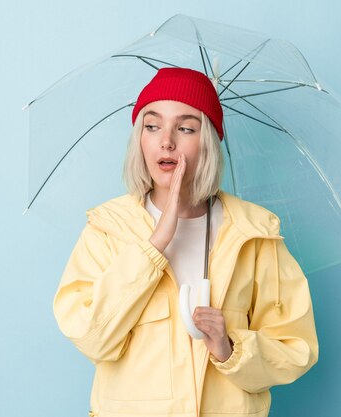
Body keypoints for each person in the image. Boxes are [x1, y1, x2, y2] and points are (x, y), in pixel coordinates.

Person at [53, 67, 319, 417]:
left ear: (207, 140)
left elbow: (296, 348)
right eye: (152, 126)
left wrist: (230, 348)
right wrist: (157, 242)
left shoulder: (254, 233)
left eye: (185, 128)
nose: (166, 141)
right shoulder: (106, 229)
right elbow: (92, 338)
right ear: (140, 139)